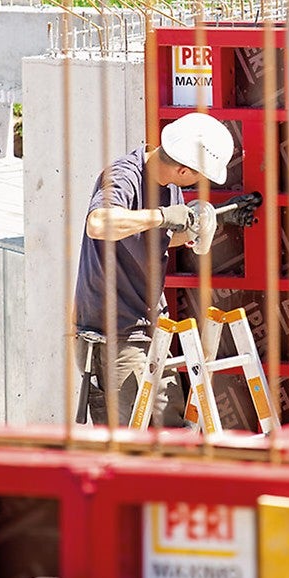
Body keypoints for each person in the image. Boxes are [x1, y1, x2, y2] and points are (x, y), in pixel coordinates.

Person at [73, 112, 234, 427]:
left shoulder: (168, 186)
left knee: (164, 429)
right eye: (198, 175)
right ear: (183, 168)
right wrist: (161, 216)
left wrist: (193, 230)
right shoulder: (123, 176)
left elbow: (154, 238)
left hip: (147, 328)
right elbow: (98, 223)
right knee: (142, 439)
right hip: (116, 333)